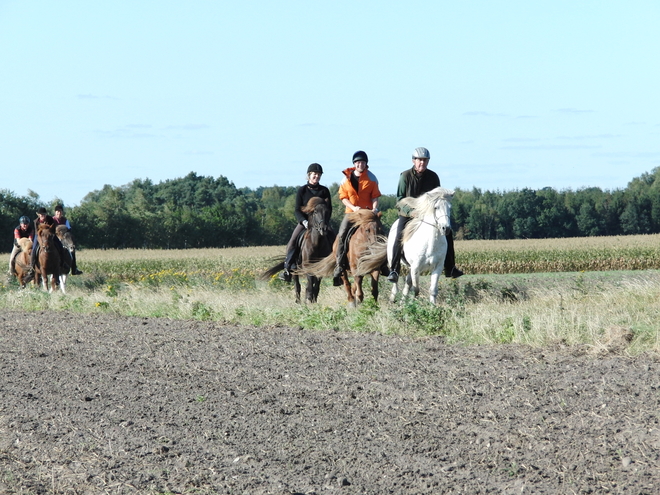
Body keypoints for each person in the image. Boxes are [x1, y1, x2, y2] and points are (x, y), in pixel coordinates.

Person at [387, 147, 463, 283]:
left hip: (428, 214)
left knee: (448, 232)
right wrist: (412, 212)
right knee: (398, 235)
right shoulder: (405, 176)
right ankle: (394, 270)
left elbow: (439, 197)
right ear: (413, 161)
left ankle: (450, 267)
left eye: (425, 160)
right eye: (419, 160)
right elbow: (399, 200)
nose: (422, 163)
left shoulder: (433, 177)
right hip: (409, 213)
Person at [332, 150, 381, 285]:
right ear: (354, 164)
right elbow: (343, 197)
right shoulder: (345, 179)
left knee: (381, 232)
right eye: (358, 162)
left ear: (366, 164)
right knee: (342, 235)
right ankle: (339, 265)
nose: (360, 164)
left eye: (363, 162)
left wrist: (374, 209)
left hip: (367, 213)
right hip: (352, 213)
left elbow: (375, 196)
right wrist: (353, 208)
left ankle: (384, 264)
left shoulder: (372, 178)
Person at [278, 163, 334, 282]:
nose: (316, 176)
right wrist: (303, 221)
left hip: (321, 223)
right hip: (305, 223)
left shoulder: (324, 191)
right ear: (309, 175)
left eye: (318, 175)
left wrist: (325, 222)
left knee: (335, 240)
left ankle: (338, 271)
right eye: (314, 174)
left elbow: (329, 209)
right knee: (292, 242)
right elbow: (297, 209)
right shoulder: (302, 190)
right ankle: (287, 269)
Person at [26, 207, 67, 278]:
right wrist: (41, 240)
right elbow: (37, 232)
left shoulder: (50, 219)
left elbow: (53, 229)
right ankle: (32, 267)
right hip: (39, 236)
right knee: (34, 249)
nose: (43, 216)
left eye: (44, 215)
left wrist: (49, 235)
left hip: (50, 235)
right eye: (41, 215)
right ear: (38, 215)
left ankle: (63, 263)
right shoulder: (36, 221)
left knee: (60, 245)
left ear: (46, 214)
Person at [53, 205, 83, 275]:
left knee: (72, 250)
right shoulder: (52, 220)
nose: (59, 213)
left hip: (64, 240)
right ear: (55, 212)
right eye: (57, 212)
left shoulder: (65, 220)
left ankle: (74, 269)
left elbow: (69, 230)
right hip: (54, 239)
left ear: (62, 212)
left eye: (60, 212)